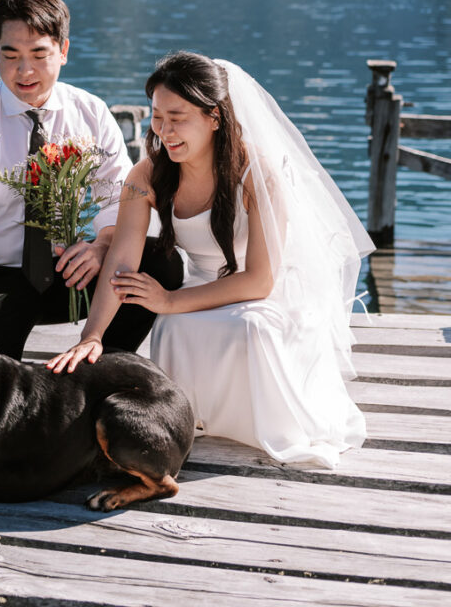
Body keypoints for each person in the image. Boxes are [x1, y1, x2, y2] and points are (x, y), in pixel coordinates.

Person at [48, 51, 375, 469]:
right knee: (173, 327)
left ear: (214, 117)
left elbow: (259, 281)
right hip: (199, 288)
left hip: (266, 296)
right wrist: (92, 336)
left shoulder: (258, 172)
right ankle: (187, 421)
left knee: (248, 326)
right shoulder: (146, 176)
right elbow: (120, 265)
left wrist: (167, 299)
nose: (164, 131)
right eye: (157, 116)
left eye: (178, 117)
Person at [0, 0, 183, 360]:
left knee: (161, 262)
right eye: (9, 55)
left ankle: (101, 367)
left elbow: (120, 201)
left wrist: (102, 247)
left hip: (74, 271)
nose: (24, 71)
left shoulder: (90, 112)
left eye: (38, 55)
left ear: (63, 51)